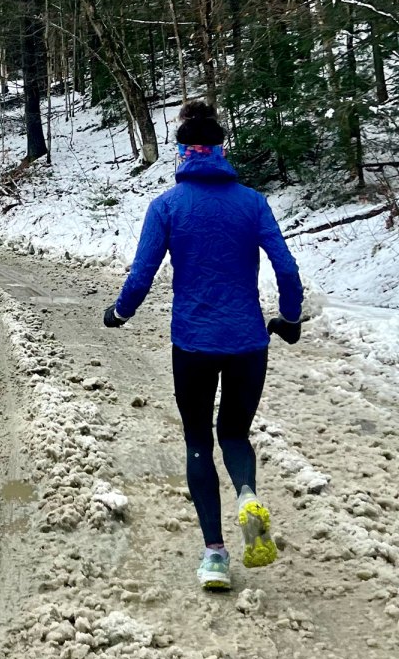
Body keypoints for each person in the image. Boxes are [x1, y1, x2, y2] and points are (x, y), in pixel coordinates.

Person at [103, 101, 303, 590]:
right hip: (248, 342)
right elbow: (288, 270)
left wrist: (120, 312)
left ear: (181, 153)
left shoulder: (167, 207)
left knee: (198, 440)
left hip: (192, 343)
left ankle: (214, 554)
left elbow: (142, 274)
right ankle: (248, 496)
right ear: (219, 150)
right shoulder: (253, 202)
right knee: (234, 434)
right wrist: (291, 318)